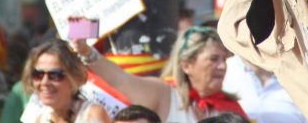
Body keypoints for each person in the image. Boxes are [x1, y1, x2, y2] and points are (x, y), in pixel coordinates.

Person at [74, 26, 246, 122]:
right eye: (214, 59)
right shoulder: (164, 94)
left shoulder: (229, 108)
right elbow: (120, 80)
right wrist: (85, 51)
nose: (222, 66)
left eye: (224, 59)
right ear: (186, 65)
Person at [21, 39, 110, 123]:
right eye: (38, 74)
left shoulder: (92, 114)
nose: (44, 82)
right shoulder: (40, 118)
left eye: (54, 75)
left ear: (74, 78)